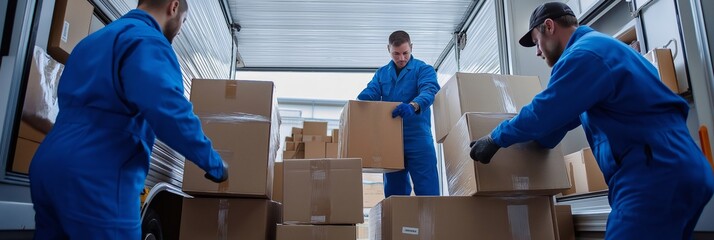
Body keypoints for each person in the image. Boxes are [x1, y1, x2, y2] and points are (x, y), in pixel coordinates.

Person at [469, 2, 714, 239]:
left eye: (536, 41)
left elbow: (545, 110)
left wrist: (495, 138)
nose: (538, 51)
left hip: (653, 174)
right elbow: (560, 120)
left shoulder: (584, 54)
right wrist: (537, 142)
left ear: (549, 26)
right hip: (677, 166)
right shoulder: (602, 48)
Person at [29, 0, 228, 238]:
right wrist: (214, 163)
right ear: (173, 7)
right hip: (98, 170)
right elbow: (169, 111)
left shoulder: (91, 42)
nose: (180, 29)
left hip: (48, 163)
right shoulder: (148, 41)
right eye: (183, 22)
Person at [358, 30, 441, 197]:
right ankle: (399, 223)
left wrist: (413, 105)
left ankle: (430, 223)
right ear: (388, 49)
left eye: (405, 53)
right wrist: (362, 100)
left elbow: (429, 90)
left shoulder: (423, 69)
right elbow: (372, 90)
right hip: (391, 139)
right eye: (396, 54)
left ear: (411, 47)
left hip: (418, 138)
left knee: (428, 191)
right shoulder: (382, 73)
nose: (401, 58)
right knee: (394, 194)